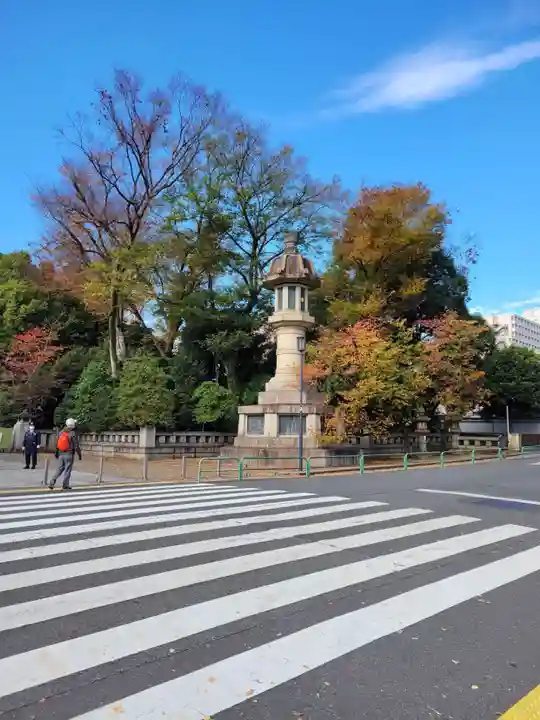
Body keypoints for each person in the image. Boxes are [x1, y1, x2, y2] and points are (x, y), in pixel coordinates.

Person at [48, 418, 82, 490]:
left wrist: (56, 453)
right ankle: (65, 484)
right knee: (68, 470)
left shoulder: (61, 432)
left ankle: (52, 482)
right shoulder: (72, 433)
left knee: (59, 469)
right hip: (69, 454)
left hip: (61, 453)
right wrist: (79, 454)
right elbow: (76, 445)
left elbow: (56, 443)